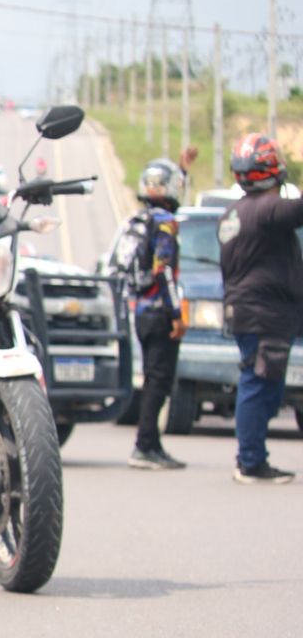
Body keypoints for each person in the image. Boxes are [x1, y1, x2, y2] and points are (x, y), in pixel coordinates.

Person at [217, 133, 303, 485]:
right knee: (258, 383)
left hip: (249, 311)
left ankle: (253, 456)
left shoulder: (234, 213)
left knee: (264, 383)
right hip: (263, 312)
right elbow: (297, 211)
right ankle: (250, 461)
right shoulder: (266, 209)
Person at [126, 146, 197, 470]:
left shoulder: (140, 219)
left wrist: (182, 168)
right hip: (158, 311)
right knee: (159, 381)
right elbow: (163, 269)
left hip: (141, 311)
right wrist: (175, 314)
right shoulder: (166, 223)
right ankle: (144, 445)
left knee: (155, 379)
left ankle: (152, 444)